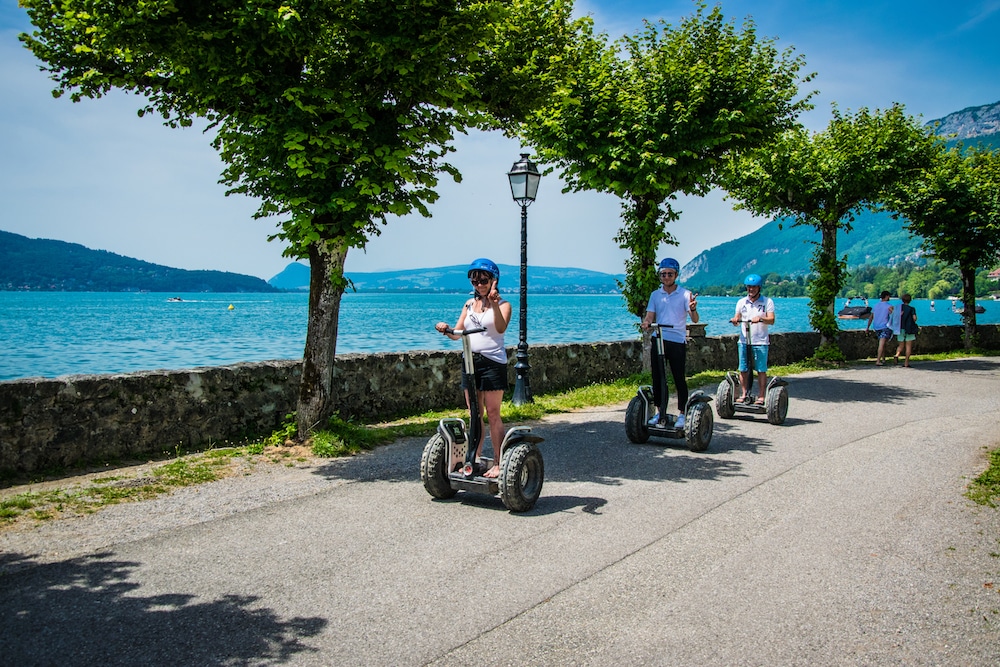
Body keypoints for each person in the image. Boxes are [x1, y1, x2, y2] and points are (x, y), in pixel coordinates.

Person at [435, 258, 512, 478]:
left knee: (493, 413)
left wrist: (495, 303)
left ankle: (498, 462)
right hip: (470, 362)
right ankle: (474, 458)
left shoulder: (505, 304)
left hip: (493, 363)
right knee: (474, 413)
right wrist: (445, 329)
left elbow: (499, 328)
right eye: (475, 280)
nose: (479, 284)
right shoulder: (468, 305)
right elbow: (456, 333)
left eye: (483, 280)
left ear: (493, 281)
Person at [640, 258, 699, 428]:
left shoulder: (685, 294)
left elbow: (695, 320)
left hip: (677, 340)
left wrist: (693, 309)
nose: (666, 277)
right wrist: (646, 323)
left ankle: (682, 413)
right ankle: (660, 413)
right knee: (658, 378)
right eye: (663, 274)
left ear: (676, 275)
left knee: (678, 377)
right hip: (659, 339)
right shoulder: (655, 295)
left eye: (669, 274)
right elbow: (650, 315)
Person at [729, 274, 776, 404]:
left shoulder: (767, 302)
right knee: (743, 369)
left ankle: (761, 396)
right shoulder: (741, 302)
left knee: (761, 369)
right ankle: (744, 394)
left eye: (754, 287)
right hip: (744, 341)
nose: (751, 289)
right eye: (749, 287)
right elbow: (737, 317)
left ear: (759, 288)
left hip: (760, 341)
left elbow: (771, 320)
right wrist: (735, 320)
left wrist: (760, 318)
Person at [864, 290, 895, 366]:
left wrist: (867, 327)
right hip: (884, 326)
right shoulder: (889, 306)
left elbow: (871, 317)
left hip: (876, 327)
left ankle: (883, 359)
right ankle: (878, 360)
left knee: (883, 343)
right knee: (881, 344)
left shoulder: (876, 306)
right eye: (889, 296)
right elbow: (894, 314)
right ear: (887, 296)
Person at [893, 293, 918, 367]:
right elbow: (914, 318)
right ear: (910, 300)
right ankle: (906, 363)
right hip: (909, 329)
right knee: (908, 346)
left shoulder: (899, 308)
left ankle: (897, 355)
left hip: (900, 328)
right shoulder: (912, 309)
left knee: (900, 345)